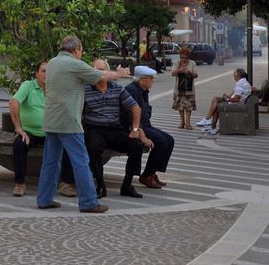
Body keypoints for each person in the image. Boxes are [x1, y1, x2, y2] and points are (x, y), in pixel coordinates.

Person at [36, 35, 130, 214]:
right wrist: (120, 74)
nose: (81, 53)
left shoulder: (53, 62)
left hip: (51, 120)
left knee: (50, 162)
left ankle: (44, 199)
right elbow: (100, 76)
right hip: (69, 121)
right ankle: (88, 202)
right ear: (76, 49)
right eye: (81, 50)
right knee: (81, 161)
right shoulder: (74, 64)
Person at [8, 60, 75, 197]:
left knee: (69, 144)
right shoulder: (28, 86)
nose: (47, 74)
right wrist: (18, 128)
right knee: (19, 144)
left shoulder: (56, 88)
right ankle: (20, 184)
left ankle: (65, 184)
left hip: (50, 131)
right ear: (36, 73)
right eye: (44, 71)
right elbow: (14, 102)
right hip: (29, 132)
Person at [82, 59, 146, 199]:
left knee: (136, 146)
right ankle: (100, 185)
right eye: (95, 69)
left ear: (108, 72)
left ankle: (127, 185)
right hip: (94, 128)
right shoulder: (85, 89)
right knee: (93, 146)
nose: (98, 73)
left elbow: (135, 108)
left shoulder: (117, 88)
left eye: (101, 69)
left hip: (114, 129)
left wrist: (135, 129)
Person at [125, 65, 174, 189]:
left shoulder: (143, 91)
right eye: (150, 79)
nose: (152, 81)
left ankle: (153, 173)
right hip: (135, 126)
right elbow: (132, 117)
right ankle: (147, 175)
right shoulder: (132, 90)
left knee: (169, 139)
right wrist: (143, 136)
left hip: (145, 124)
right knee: (161, 141)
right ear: (142, 80)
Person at [196, 68, 253, 134]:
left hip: (236, 104)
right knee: (216, 101)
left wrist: (227, 99)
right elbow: (234, 94)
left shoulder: (240, 83)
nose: (233, 76)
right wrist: (228, 96)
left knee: (216, 101)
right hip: (238, 102)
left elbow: (236, 99)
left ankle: (208, 119)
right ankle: (211, 124)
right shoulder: (243, 82)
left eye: (234, 74)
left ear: (237, 75)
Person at [171, 46, 198, 129]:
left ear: (188, 57)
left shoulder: (192, 63)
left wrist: (189, 72)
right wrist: (179, 70)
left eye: (186, 57)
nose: (184, 59)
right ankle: (182, 122)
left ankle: (188, 123)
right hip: (178, 89)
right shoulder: (177, 62)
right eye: (182, 57)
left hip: (189, 89)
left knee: (188, 106)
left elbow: (196, 75)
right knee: (180, 106)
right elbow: (172, 73)